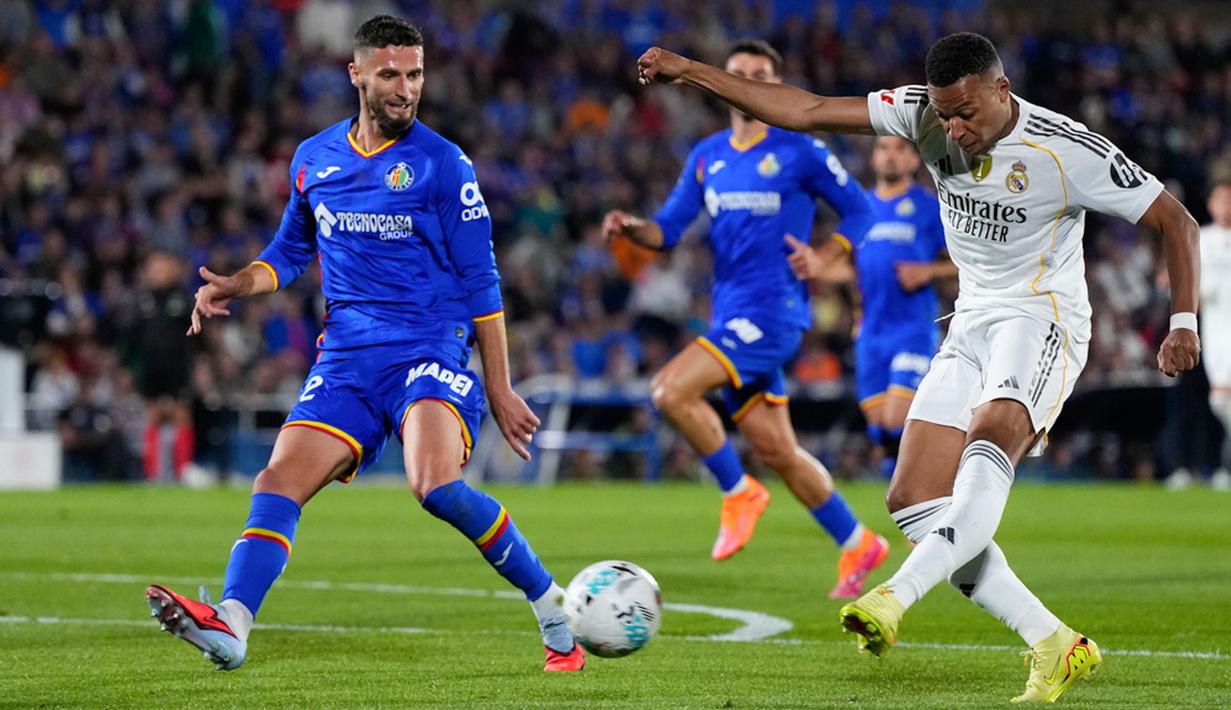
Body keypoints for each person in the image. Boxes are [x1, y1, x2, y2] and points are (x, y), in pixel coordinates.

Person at [636, 31, 1202, 703]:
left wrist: (1181, 323)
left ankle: (895, 594)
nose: (953, 128)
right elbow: (805, 109)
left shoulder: (1065, 148)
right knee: (912, 499)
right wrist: (689, 71)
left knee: (989, 437)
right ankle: (1054, 643)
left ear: (1000, 89)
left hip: (1041, 317)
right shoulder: (919, 111)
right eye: (943, 114)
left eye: (966, 112)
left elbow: (1176, 221)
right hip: (968, 320)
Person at [145, 16, 585, 673]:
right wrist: (238, 282)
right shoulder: (314, 159)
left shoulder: (442, 164)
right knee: (277, 479)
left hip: (429, 348)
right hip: (348, 356)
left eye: (414, 74)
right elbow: (290, 251)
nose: (405, 88)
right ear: (355, 74)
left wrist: (498, 384)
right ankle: (233, 626)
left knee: (434, 485)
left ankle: (551, 607)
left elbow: (483, 282)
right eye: (390, 74)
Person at [602, 39, 889, 599]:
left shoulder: (801, 149)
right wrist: (633, 227)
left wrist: (827, 257)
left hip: (774, 313)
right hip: (731, 315)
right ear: (722, 83)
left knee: (668, 390)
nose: (749, 82)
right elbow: (667, 229)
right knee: (780, 451)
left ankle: (738, 491)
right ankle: (857, 542)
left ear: (777, 86)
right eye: (739, 74)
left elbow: (862, 209)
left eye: (761, 75)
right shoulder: (709, 155)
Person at [788, 136, 954, 480]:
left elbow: (965, 262)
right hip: (869, 334)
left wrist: (929, 271)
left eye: (900, 149)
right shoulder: (860, 209)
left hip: (913, 329)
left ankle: (940, 482)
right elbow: (848, 267)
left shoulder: (927, 207)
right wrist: (815, 266)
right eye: (883, 148)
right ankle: (912, 508)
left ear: (913, 160)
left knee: (896, 419)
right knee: (880, 429)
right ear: (874, 158)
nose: (890, 156)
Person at [1200, 183, 1231, 485]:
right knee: (1219, 402)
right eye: (1221, 200)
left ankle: (1226, 468)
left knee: (1223, 398)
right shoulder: (1202, 239)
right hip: (1214, 333)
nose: (1226, 206)